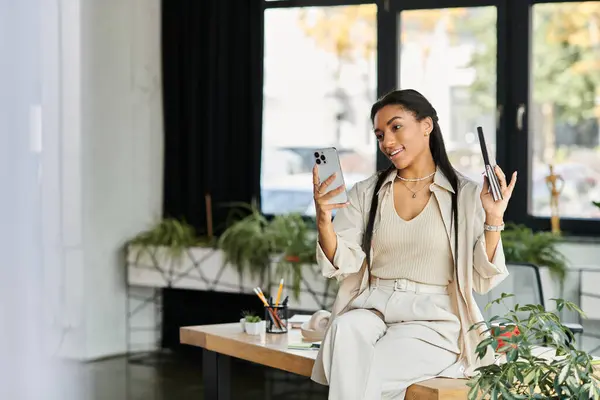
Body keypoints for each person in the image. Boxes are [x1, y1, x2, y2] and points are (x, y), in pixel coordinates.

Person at [310, 89, 517, 400]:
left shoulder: (466, 195)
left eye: (396, 127)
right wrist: (324, 220)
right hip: (373, 307)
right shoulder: (367, 192)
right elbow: (343, 262)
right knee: (344, 329)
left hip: (432, 321)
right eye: (380, 135)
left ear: (426, 125)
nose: (387, 142)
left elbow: (481, 277)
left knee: (368, 371)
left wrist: (494, 217)